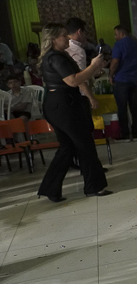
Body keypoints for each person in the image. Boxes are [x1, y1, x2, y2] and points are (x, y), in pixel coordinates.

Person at [36, 23, 111, 202]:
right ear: (54, 39)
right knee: (84, 144)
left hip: (59, 104)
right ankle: (93, 186)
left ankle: (50, 188)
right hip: (64, 105)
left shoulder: (58, 55)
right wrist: (92, 66)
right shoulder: (55, 57)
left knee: (67, 148)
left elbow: (79, 77)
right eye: (63, 35)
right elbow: (72, 80)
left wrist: (94, 70)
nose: (67, 38)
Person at [109, 25, 137, 141]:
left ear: (121, 33)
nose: (115, 37)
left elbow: (115, 62)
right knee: (134, 107)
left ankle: (125, 134)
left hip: (121, 79)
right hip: (134, 80)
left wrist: (111, 75)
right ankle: (136, 132)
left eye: (116, 34)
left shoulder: (119, 45)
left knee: (122, 108)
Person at [65, 17, 100, 120]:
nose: (86, 36)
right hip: (79, 95)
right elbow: (79, 77)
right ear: (79, 32)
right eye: (85, 33)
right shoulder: (76, 50)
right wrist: (91, 97)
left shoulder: (65, 49)